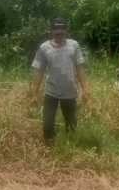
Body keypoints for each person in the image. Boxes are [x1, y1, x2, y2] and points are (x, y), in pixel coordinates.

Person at [30, 18, 89, 146]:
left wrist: (85, 90)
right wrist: (34, 94)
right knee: (47, 125)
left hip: (70, 92)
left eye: (61, 29)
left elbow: (80, 69)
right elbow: (38, 71)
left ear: (66, 31)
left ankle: (69, 149)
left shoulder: (74, 45)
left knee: (71, 126)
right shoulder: (44, 48)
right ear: (51, 31)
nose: (59, 32)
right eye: (56, 29)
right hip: (51, 92)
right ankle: (50, 148)